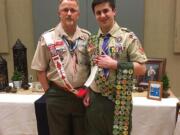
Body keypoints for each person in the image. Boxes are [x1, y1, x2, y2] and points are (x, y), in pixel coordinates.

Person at [83, 0, 147, 135]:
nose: (102, 15)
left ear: (114, 11)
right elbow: (91, 69)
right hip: (95, 100)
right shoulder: (92, 40)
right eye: (98, 13)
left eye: (106, 11)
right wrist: (87, 91)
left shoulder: (128, 37)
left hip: (118, 101)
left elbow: (142, 68)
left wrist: (115, 64)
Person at [31, 0, 90, 135]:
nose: (69, 13)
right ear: (59, 13)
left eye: (73, 10)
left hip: (81, 95)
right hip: (57, 95)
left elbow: (92, 67)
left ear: (78, 14)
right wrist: (49, 93)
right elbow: (40, 69)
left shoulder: (87, 37)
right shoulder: (47, 38)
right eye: (65, 10)